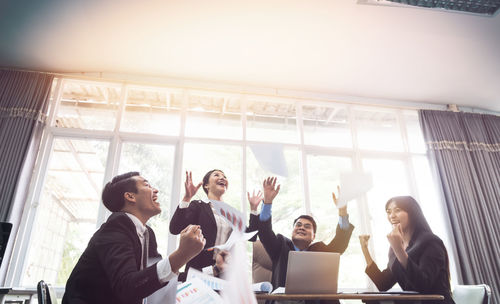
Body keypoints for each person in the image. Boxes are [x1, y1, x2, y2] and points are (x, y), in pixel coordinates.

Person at [62, 172, 206, 304]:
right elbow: (127, 288)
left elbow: (156, 276)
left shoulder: (147, 234)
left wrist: (212, 270)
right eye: (147, 185)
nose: (155, 190)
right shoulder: (115, 228)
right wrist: (182, 255)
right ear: (130, 196)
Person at [251, 177, 354, 294]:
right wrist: (268, 202)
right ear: (293, 231)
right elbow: (264, 232)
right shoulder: (280, 246)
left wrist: (342, 212)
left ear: (313, 236)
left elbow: (340, 244)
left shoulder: (320, 250)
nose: (301, 227)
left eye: (307, 226)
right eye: (298, 225)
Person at [359, 196, 455, 304]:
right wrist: (365, 249)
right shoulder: (395, 246)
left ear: (412, 213)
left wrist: (399, 250)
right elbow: (383, 284)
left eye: (397, 210)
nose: (392, 216)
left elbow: (423, 286)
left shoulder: (431, 242)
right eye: (388, 212)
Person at [169, 170, 260, 280]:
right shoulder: (198, 206)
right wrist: (187, 197)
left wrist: (254, 209)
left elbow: (252, 236)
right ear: (206, 185)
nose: (222, 178)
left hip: (226, 273)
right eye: (217, 175)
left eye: (224, 176)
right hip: (200, 271)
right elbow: (175, 228)